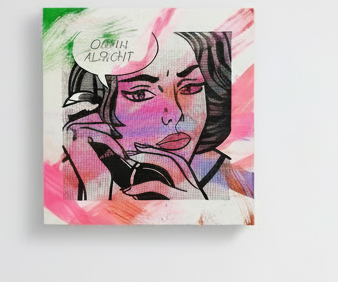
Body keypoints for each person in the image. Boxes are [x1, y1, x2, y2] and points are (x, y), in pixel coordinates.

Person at [61, 30, 253, 203]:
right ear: (96, 106)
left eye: (190, 87)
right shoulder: (74, 179)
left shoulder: (243, 185)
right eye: (140, 94)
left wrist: (192, 208)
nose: (176, 115)